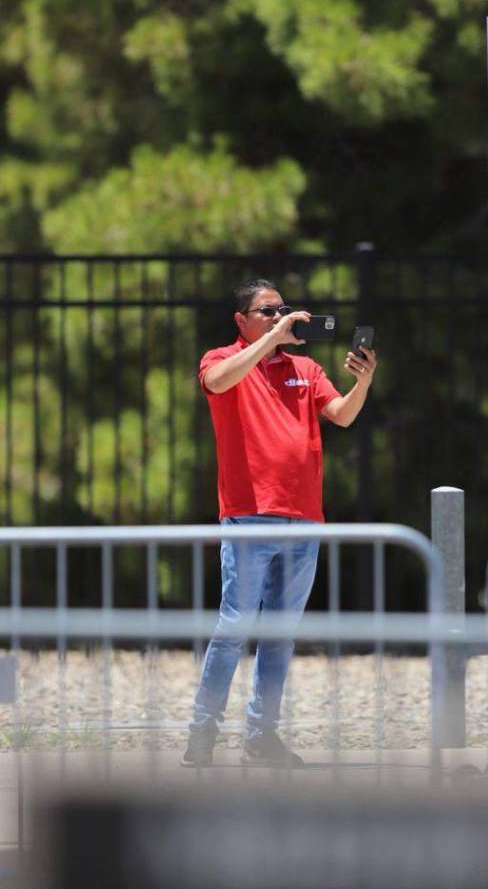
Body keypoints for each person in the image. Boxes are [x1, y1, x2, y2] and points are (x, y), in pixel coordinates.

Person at [183, 277, 378, 768]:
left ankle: (260, 737)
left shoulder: (305, 368)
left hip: (303, 518)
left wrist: (363, 383)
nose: (277, 317)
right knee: (234, 627)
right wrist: (271, 339)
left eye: (281, 310)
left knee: (280, 634)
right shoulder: (221, 359)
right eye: (266, 311)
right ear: (241, 320)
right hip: (249, 515)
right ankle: (201, 735)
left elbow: (341, 415)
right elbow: (219, 382)